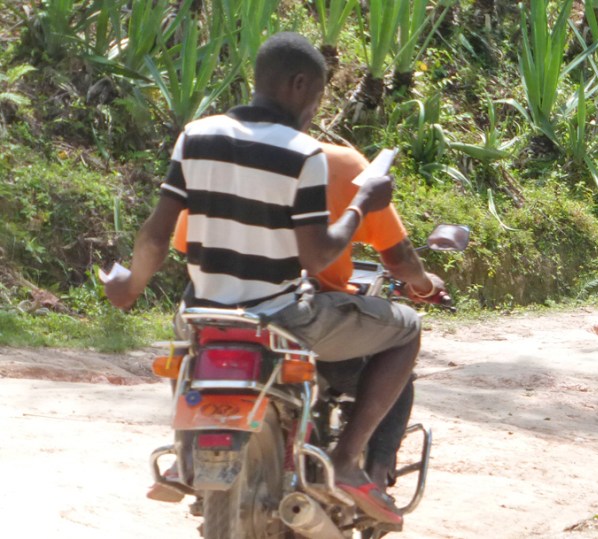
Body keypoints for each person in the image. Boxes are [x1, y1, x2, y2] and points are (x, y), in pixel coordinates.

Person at [104, 32, 443, 525]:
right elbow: (316, 256)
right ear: (299, 84)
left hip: (200, 313)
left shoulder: (195, 135)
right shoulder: (303, 152)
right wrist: (361, 202)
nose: (314, 108)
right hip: (279, 317)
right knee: (407, 328)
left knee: (186, 350)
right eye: (318, 96)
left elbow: (157, 234)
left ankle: (188, 454)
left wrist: (130, 286)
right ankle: (348, 460)